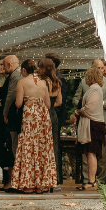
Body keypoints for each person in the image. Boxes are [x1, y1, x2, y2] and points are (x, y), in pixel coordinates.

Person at [12, 57, 59, 193]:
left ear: (24, 70)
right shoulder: (43, 83)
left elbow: (19, 103)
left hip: (29, 116)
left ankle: (29, 184)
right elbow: (49, 105)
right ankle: (41, 185)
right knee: (41, 148)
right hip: (43, 116)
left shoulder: (22, 82)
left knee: (28, 147)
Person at [73, 61, 106, 189]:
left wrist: (78, 112)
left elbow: (89, 109)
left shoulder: (95, 89)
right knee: (89, 153)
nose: (86, 78)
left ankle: (91, 181)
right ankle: (91, 181)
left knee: (91, 153)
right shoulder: (94, 89)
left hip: (93, 125)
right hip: (92, 124)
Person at [0, 53, 22, 188]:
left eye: (3, 64)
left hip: (15, 117)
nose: (1, 67)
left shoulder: (15, 76)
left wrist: (5, 113)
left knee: (15, 146)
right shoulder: (15, 75)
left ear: (9, 65)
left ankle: (15, 181)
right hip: (16, 116)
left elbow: (11, 96)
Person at [45, 52, 66, 188]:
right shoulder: (53, 78)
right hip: (53, 113)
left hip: (53, 114)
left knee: (54, 146)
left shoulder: (58, 79)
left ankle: (56, 178)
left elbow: (60, 102)